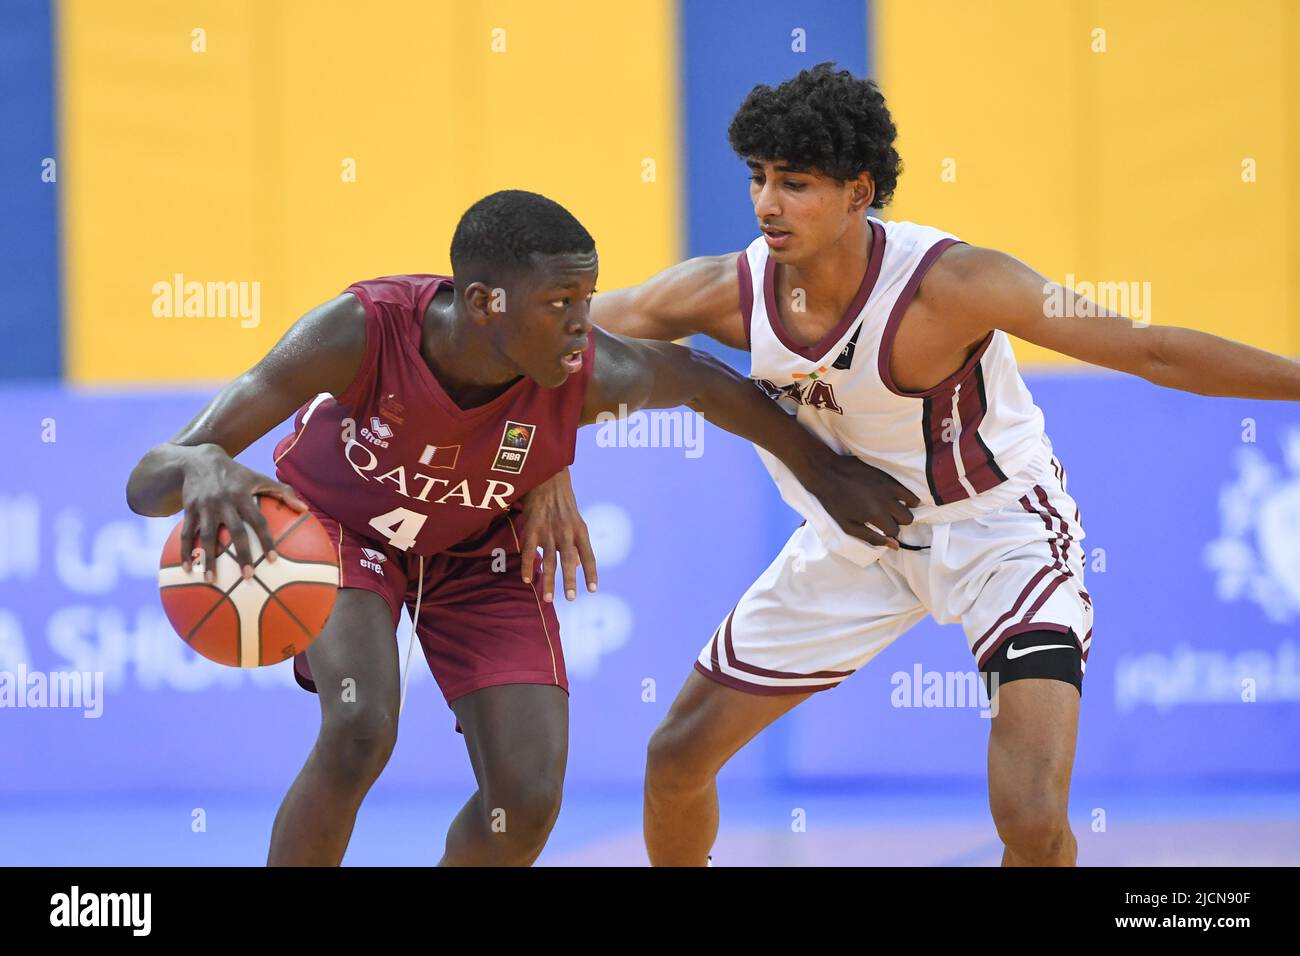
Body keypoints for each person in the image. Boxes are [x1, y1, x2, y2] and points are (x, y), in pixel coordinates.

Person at [555, 63, 1300, 866]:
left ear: (858, 192)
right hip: (856, 538)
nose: (768, 203)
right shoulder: (725, 292)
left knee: (1028, 818)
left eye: (796, 182)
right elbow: (554, 342)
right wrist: (546, 460)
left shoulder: (956, 284)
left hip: (1000, 533)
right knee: (675, 759)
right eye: (758, 178)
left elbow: (1150, 351)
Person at [125, 188, 908, 866]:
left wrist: (828, 472)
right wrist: (202, 466)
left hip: (477, 552)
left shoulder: (590, 371)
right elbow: (149, 479)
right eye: (560, 305)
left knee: (527, 802)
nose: (582, 325)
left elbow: (703, 383)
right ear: (482, 303)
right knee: (362, 726)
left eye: (587, 300)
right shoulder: (360, 332)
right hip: (341, 532)